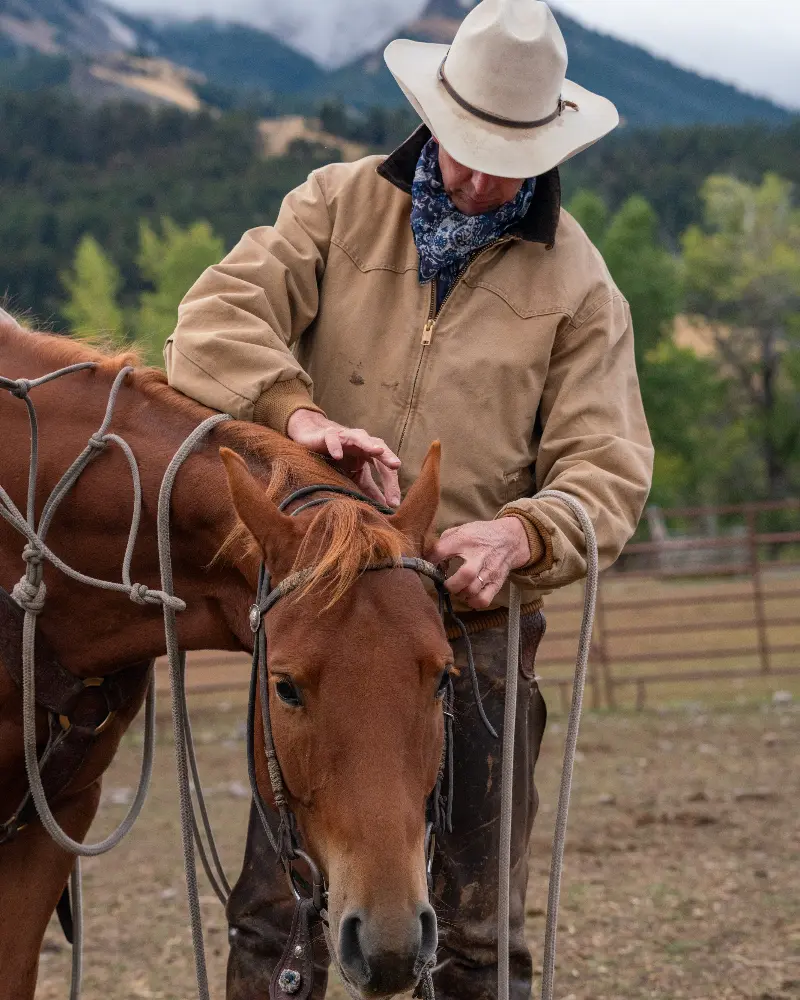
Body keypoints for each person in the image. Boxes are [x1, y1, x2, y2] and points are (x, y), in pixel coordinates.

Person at [165, 1, 654, 996]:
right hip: (325, 615)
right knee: (275, 925)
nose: (476, 179)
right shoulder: (336, 203)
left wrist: (521, 535)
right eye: (464, 146)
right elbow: (214, 317)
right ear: (434, 114)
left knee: (474, 939)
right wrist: (296, 413)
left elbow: (606, 469)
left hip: (470, 625)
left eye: (503, 160)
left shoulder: (580, 285)